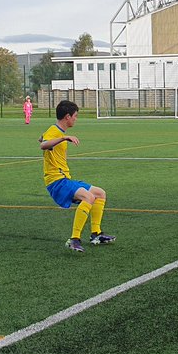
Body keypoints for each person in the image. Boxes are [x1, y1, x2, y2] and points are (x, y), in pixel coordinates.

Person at [40, 100, 114, 252]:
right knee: (89, 197)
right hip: (57, 182)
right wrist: (63, 138)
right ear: (67, 117)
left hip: (64, 179)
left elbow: (44, 139)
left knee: (100, 193)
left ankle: (96, 234)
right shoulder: (56, 132)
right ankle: (74, 239)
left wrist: (50, 138)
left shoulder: (55, 131)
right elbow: (43, 145)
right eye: (75, 116)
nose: (76, 119)